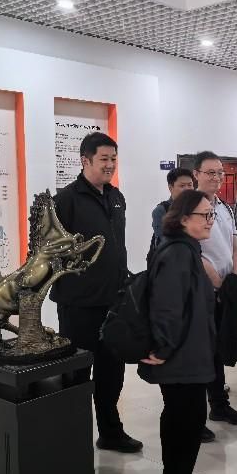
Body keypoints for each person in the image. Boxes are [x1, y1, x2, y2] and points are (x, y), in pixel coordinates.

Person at [52, 132, 142, 453]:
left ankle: (110, 432)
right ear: (85, 160)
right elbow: (49, 252)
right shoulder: (66, 200)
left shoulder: (116, 197)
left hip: (113, 302)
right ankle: (72, 440)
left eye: (113, 159)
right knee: (77, 373)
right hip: (78, 305)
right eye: (104, 159)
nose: (110, 165)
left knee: (112, 372)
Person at [139, 190, 217, 474]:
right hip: (179, 355)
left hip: (188, 350)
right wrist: (164, 348)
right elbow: (167, 308)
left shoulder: (186, 248)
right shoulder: (177, 254)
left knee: (184, 417)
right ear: (184, 219)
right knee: (186, 419)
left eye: (212, 214)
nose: (210, 221)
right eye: (205, 215)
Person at [192, 151, 237, 435]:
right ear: (196, 174)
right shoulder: (189, 207)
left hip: (226, 291)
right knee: (201, 354)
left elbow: (234, 248)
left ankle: (219, 404)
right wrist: (217, 283)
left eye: (219, 173)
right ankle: (195, 419)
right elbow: (192, 252)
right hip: (203, 292)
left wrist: (233, 281)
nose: (216, 177)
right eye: (210, 172)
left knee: (219, 348)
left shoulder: (225, 208)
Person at [149, 167, 195, 262]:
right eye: (182, 186)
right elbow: (164, 243)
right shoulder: (161, 211)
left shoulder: (197, 208)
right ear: (171, 188)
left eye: (190, 185)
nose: (187, 189)